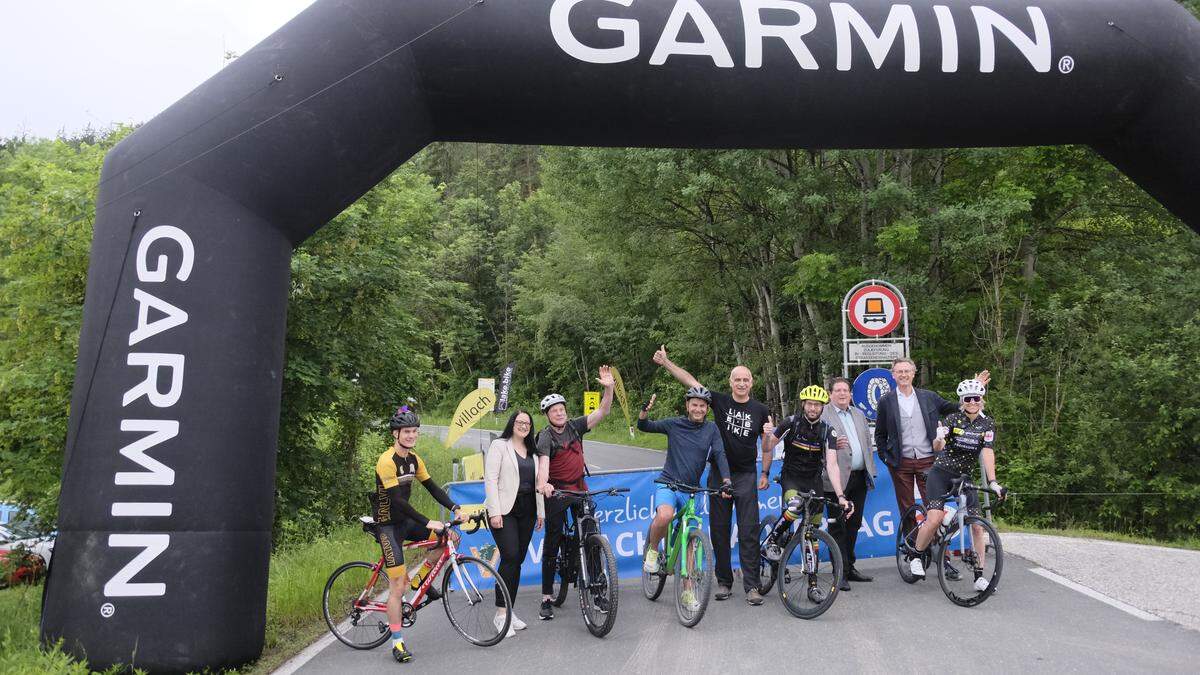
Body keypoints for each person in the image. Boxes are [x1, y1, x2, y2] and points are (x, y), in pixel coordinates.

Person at [652, 345, 773, 605]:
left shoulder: (761, 410)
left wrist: (765, 470)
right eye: (737, 379)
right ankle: (724, 582)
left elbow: (766, 446)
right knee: (719, 530)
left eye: (746, 379)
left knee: (749, 531)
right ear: (730, 382)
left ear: (752, 383)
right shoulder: (718, 401)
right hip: (719, 475)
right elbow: (691, 381)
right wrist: (666, 363)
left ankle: (752, 586)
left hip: (747, 474)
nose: (741, 383)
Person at [874, 358, 989, 578]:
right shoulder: (887, 401)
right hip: (901, 462)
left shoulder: (928, 397)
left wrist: (975, 387)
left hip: (929, 460)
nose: (904, 375)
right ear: (893, 375)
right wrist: (887, 458)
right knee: (907, 508)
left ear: (914, 374)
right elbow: (880, 434)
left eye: (907, 371)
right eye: (899, 371)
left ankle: (942, 559)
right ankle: (914, 552)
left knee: (933, 511)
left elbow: (959, 406)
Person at [372, 406, 462, 664]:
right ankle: (397, 642)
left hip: (406, 522)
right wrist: (428, 521)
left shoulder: (414, 459)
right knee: (396, 588)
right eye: (406, 432)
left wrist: (454, 507)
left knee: (446, 538)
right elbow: (397, 502)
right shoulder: (386, 461)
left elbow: (433, 487)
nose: (411, 436)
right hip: (388, 526)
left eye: (414, 431)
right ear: (395, 434)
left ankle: (419, 580)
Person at [637, 386, 733, 612]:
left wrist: (727, 480)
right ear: (687, 406)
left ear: (707, 409)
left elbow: (719, 454)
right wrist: (644, 411)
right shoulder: (674, 424)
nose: (698, 408)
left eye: (702, 405)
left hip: (693, 490)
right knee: (665, 515)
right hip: (668, 484)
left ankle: (688, 591)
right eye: (694, 404)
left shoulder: (711, 429)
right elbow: (644, 426)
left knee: (690, 543)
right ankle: (652, 551)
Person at [533, 365, 615, 620]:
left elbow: (603, 411)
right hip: (556, 493)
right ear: (547, 415)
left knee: (592, 536)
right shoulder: (545, 437)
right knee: (553, 540)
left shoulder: (575, 427)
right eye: (553, 411)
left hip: (580, 490)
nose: (559, 413)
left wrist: (609, 388)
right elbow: (543, 465)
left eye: (561, 409)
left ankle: (599, 591)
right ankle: (547, 598)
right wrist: (544, 484)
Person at [908, 379, 1005, 591]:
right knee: (934, 518)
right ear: (962, 401)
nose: (972, 402)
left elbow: (987, 452)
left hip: (964, 476)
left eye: (976, 398)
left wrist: (993, 481)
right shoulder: (952, 418)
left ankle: (979, 575)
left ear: (982, 401)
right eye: (967, 399)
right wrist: (939, 438)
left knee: (978, 527)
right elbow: (937, 446)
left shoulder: (987, 423)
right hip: (941, 473)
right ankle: (915, 555)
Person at [762, 385, 851, 601]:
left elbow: (832, 465)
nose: (813, 408)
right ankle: (771, 542)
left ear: (822, 407)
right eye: (809, 404)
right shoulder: (790, 423)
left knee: (812, 534)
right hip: (791, 477)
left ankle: (812, 585)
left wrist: (840, 495)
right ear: (803, 404)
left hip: (813, 481)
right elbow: (767, 448)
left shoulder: (828, 430)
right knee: (795, 506)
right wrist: (766, 435)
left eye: (817, 405)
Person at [484, 409, 545, 637]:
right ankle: (500, 614)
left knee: (517, 561)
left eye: (527, 423)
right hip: (504, 511)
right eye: (519, 422)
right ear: (512, 424)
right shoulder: (500, 446)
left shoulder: (533, 452)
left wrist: (541, 513)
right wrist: (494, 512)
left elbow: (538, 483)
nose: (523, 426)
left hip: (527, 511)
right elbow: (490, 479)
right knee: (509, 557)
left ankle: (510, 610)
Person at [820, 377, 878, 591]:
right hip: (835, 480)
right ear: (830, 394)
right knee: (838, 526)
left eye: (846, 390)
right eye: (838, 390)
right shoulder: (823, 414)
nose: (842, 394)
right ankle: (839, 572)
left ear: (851, 394)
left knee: (854, 524)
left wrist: (870, 469)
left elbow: (866, 446)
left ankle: (850, 567)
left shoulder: (858, 414)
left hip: (859, 476)